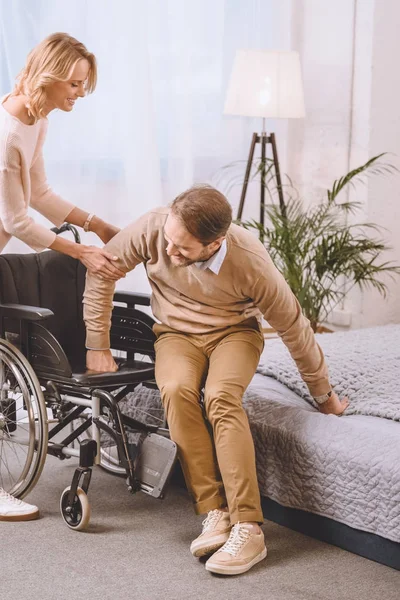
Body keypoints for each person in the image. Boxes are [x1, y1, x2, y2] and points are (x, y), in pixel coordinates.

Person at [83, 185, 349, 575]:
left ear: (214, 243)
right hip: (175, 333)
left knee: (222, 398)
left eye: (182, 249)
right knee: (175, 390)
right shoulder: (156, 228)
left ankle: (248, 526)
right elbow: (102, 269)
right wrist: (97, 343)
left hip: (234, 333)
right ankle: (213, 512)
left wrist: (323, 394)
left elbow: (295, 329)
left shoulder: (250, 262)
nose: (169, 253)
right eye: (169, 241)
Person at [0, 33, 125, 521]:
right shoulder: (10, 132)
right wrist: (82, 252)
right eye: (73, 84)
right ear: (48, 79)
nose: (78, 93)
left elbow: (41, 194)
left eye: (83, 85)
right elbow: (16, 221)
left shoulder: (37, 119)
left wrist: (99, 225)